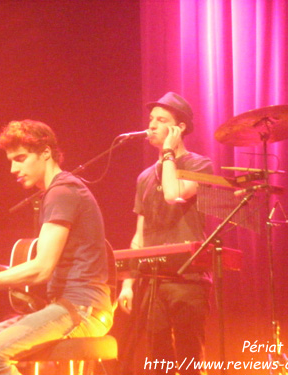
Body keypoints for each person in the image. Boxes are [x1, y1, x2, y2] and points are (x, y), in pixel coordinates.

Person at [0, 119, 114, 375]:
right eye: (11, 161)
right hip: (64, 306)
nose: (13, 168)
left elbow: (41, 269)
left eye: (21, 158)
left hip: (82, 309)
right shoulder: (55, 193)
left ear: (46, 152)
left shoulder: (62, 193)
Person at [117, 92, 213, 375]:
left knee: (188, 356)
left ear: (179, 128)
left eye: (162, 120)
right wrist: (127, 284)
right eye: (151, 120)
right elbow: (139, 235)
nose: (152, 126)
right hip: (153, 280)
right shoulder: (144, 177)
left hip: (188, 278)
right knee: (158, 358)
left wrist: (169, 153)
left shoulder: (199, 165)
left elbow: (173, 195)